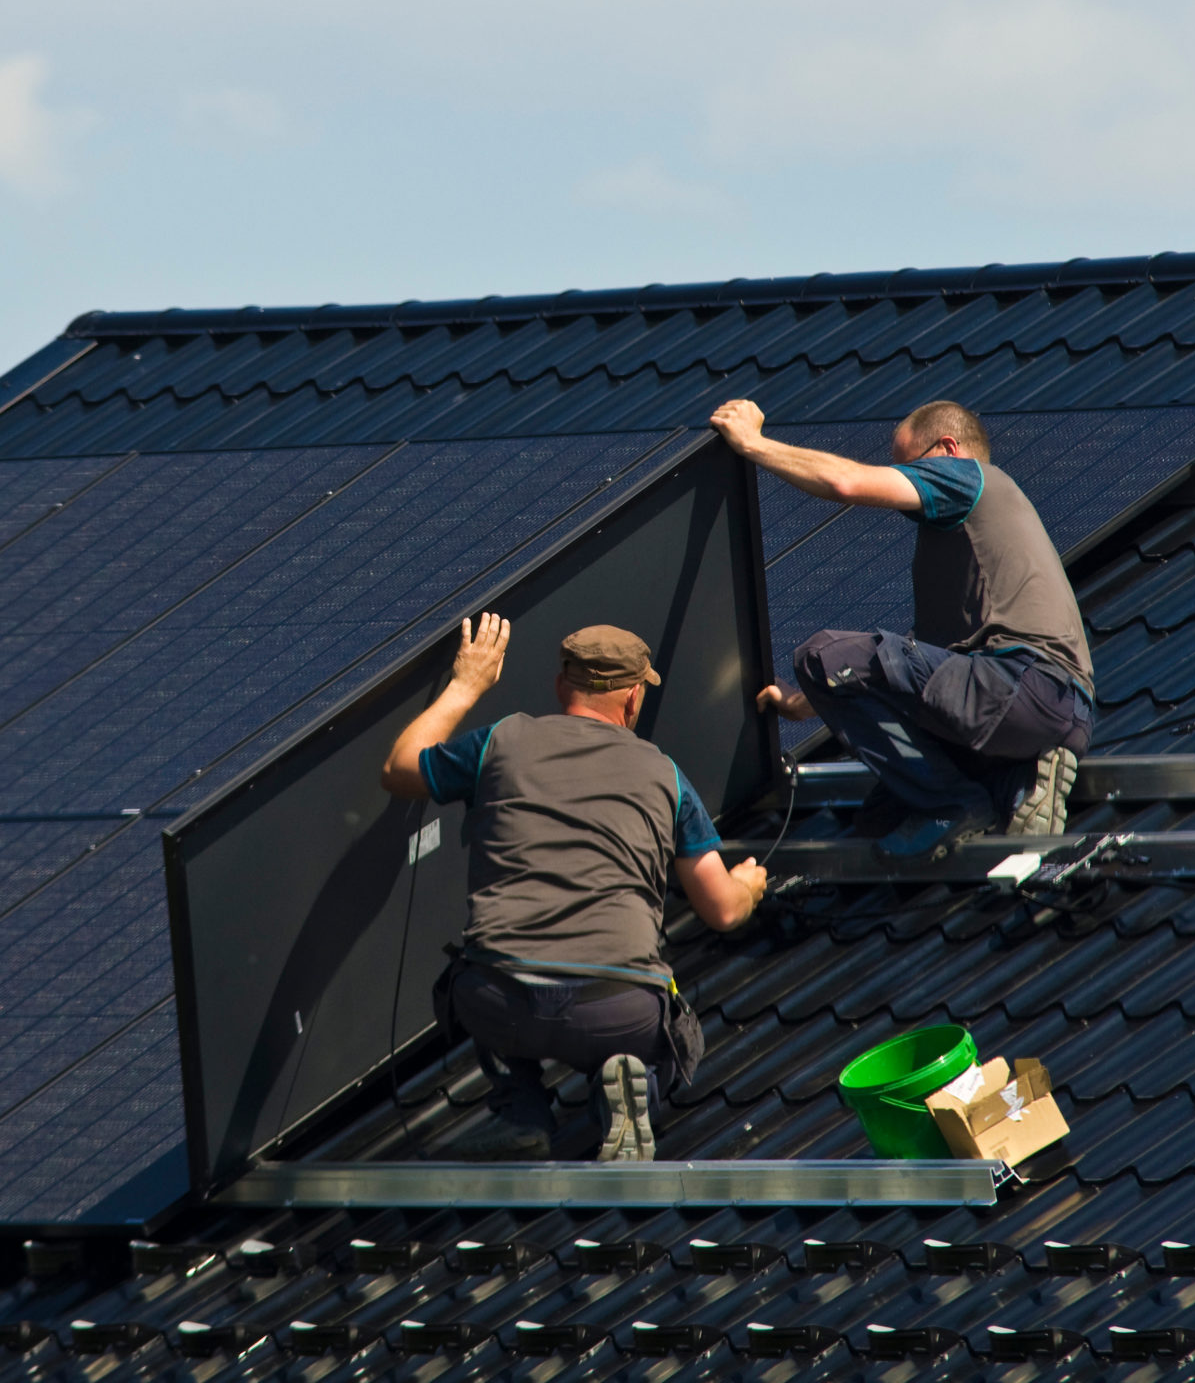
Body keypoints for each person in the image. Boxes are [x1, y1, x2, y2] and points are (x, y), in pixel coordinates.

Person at [380, 616, 769, 1162]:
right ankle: (631, 1088)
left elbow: (399, 767)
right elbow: (722, 911)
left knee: (470, 971)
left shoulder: (501, 741)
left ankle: (523, 1112)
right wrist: (749, 885)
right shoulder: (666, 775)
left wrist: (466, 684)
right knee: (672, 1030)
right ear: (634, 699)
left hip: (499, 1002)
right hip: (617, 1010)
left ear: (562, 687)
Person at [707, 396, 1094, 857]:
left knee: (823, 654)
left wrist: (753, 443)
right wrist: (809, 701)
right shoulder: (968, 548)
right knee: (880, 823)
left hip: (1026, 687)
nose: (908, 481)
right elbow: (909, 675)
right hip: (1038, 708)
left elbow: (845, 482)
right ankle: (1018, 778)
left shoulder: (973, 479)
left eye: (911, 466)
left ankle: (955, 802)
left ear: (948, 449)